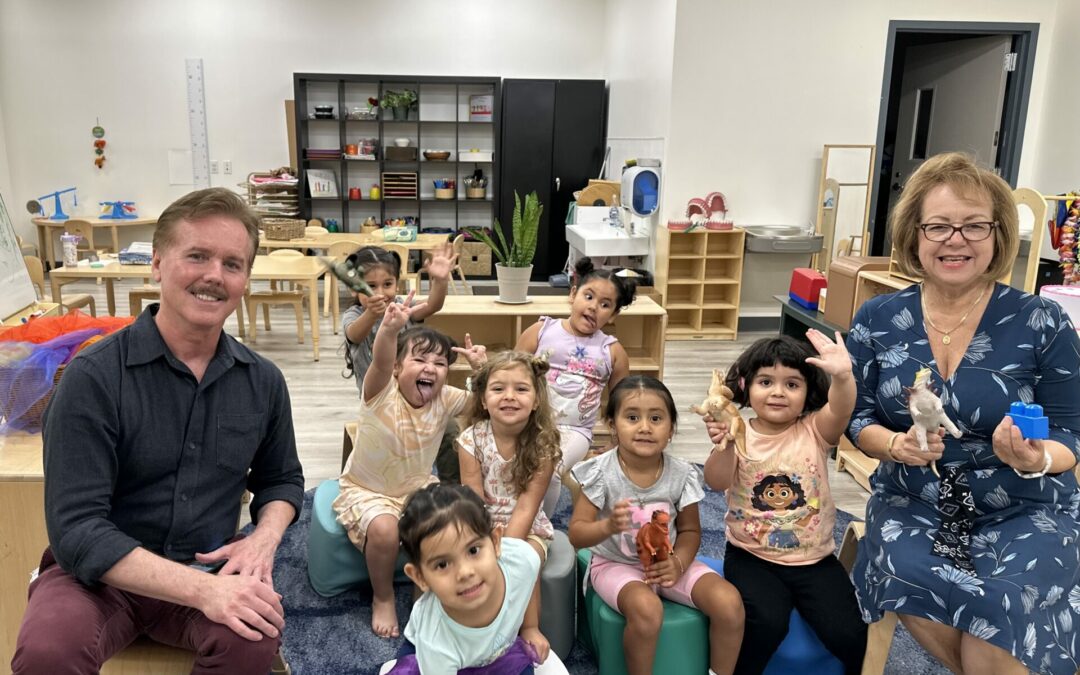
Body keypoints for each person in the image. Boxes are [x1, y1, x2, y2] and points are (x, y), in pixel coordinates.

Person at [12, 187, 305, 674]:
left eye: (233, 264)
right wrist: (204, 590)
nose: (215, 275)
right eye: (197, 256)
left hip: (204, 565)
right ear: (158, 263)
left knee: (256, 637)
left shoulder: (263, 381)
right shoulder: (94, 376)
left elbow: (281, 480)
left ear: (246, 279)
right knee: (49, 651)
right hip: (97, 579)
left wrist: (263, 538)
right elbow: (77, 530)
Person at [844, 152, 1080, 674]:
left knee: (1000, 602)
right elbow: (854, 418)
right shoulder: (879, 317)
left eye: (975, 225)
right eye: (939, 226)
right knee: (910, 572)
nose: (956, 239)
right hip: (914, 498)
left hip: (1024, 502)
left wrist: (1036, 457)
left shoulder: (1042, 320)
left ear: (998, 236)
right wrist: (895, 445)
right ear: (915, 234)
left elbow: (1072, 430)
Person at [703, 334, 867, 674]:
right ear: (747, 387)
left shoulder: (816, 430)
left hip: (815, 560)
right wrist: (726, 445)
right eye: (766, 381)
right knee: (764, 623)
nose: (778, 392)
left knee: (850, 633)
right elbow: (715, 481)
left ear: (808, 391)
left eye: (792, 384)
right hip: (751, 556)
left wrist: (842, 377)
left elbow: (841, 407)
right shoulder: (739, 432)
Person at [568, 376, 745, 675]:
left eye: (656, 418)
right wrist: (607, 526)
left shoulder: (680, 472)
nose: (645, 427)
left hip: (668, 563)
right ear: (612, 425)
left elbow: (690, 531)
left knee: (729, 603)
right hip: (615, 564)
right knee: (648, 611)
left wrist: (678, 562)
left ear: (671, 428)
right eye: (632, 417)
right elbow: (576, 533)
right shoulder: (601, 472)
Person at [333, 301, 484, 638]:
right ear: (398, 369)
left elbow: (481, 403)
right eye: (419, 359)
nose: (430, 367)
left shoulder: (444, 397)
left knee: (448, 526)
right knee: (385, 531)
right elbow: (382, 358)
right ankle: (383, 596)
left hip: (418, 488)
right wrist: (388, 329)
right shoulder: (380, 391)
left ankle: (427, 591)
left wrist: (480, 371)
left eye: (440, 363)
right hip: (366, 489)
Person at [457, 351, 563, 662]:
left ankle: (529, 626)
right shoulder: (470, 440)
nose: (509, 397)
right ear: (482, 400)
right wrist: (484, 541)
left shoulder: (544, 444)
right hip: (480, 523)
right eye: (498, 388)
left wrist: (505, 548)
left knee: (523, 560)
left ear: (536, 400)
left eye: (521, 389)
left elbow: (528, 505)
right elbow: (472, 499)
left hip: (527, 527)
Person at [515, 257, 635, 517]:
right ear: (573, 295)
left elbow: (622, 405)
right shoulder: (541, 330)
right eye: (589, 297)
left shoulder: (612, 352)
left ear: (613, 315)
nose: (594, 308)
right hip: (529, 420)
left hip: (575, 431)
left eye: (605, 305)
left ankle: (539, 527)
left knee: (550, 468)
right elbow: (512, 375)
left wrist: (619, 443)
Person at [341, 243, 461, 483]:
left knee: (450, 430)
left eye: (387, 284)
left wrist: (440, 281)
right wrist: (373, 315)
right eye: (370, 286)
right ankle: (385, 482)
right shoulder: (354, 315)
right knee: (394, 440)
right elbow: (354, 334)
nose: (380, 293)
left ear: (397, 283)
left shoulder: (401, 306)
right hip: (381, 403)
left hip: (418, 397)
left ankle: (452, 488)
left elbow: (433, 305)